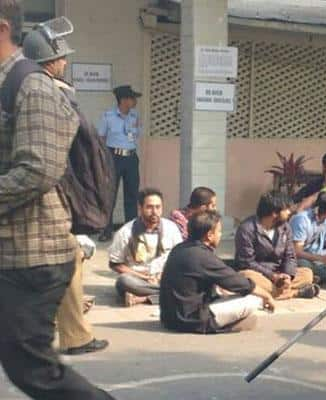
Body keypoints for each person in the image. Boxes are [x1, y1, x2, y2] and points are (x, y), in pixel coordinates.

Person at [0, 4, 113, 398]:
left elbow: (37, 170)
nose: (63, 61)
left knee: (29, 365)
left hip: (33, 254)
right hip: (13, 248)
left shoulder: (32, 87)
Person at [22, 26, 110, 356]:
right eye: (60, 56)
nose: (64, 61)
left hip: (40, 190)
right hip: (41, 192)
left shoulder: (30, 87)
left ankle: (74, 333)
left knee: (67, 256)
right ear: (51, 60)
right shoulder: (48, 93)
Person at [160, 210, 275, 334]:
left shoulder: (179, 249)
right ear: (209, 235)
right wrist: (267, 296)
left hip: (169, 318)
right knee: (253, 299)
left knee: (230, 295)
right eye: (219, 231)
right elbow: (237, 282)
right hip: (192, 320)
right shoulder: (202, 256)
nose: (220, 235)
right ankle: (229, 325)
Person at [235, 191, 319, 300]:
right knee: (247, 277)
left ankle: (271, 292)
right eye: (286, 209)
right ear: (274, 213)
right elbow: (247, 262)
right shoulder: (247, 229)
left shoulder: (285, 227)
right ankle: (295, 293)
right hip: (259, 274)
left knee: (307, 273)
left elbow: (290, 256)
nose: (289, 212)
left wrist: (288, 275)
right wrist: (272, 276)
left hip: (279, 274)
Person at [108, 188, 182, 306]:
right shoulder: (125, 232)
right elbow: (115, 264)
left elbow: (179, 257)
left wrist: (161, 274)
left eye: (158, 207)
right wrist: (144, 277)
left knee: (188, 278)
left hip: (165, 276)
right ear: (140, 208)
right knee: (123, 281)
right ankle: (172, 295)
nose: (154, 212)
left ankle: (143, 298)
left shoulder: (171, 228)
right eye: (149, 207)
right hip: (139, 279)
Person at [97, 84, 143, 242]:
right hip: (113, 157)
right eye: (132, 98)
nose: (135, 101)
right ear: (123, 100)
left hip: (130, 158)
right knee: (110, 195)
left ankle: (131, 230)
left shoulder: (135, 116)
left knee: (132, 195)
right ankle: (106, 230)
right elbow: (101, 138)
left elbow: (136, 136)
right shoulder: (108, 116)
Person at [290, 192, 326, 285]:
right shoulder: (302, 220)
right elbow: (297, 252)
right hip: (300, 258)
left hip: (316, 256)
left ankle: (316, 277)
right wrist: (320, 259)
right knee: (305, 265)